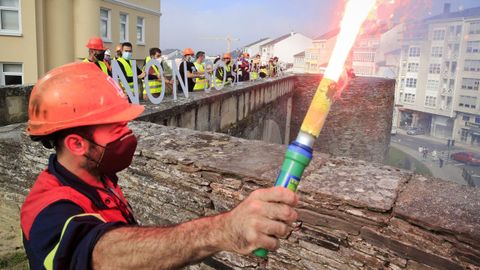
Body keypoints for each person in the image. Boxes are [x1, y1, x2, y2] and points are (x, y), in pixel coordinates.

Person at [21, 62, 299, 269]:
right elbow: (100, 254)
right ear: (77, 144)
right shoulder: (46, 209)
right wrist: (223, 230)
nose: (128, 134)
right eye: (116, 126)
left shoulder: (97, 176)